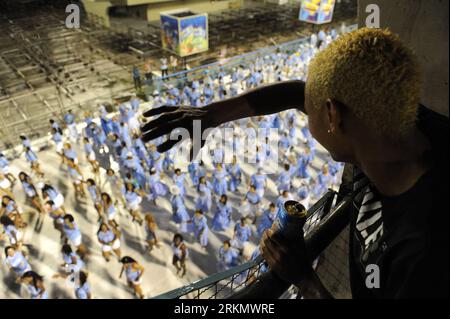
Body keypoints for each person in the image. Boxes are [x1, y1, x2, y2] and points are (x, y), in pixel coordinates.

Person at [142, 27, 449, 298]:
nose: (303, 107)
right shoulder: (396, 120)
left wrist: (305, 279)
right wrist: (212, 115)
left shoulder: (425, 252)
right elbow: (292, 93)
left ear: (332, 116)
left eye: (310, 106)